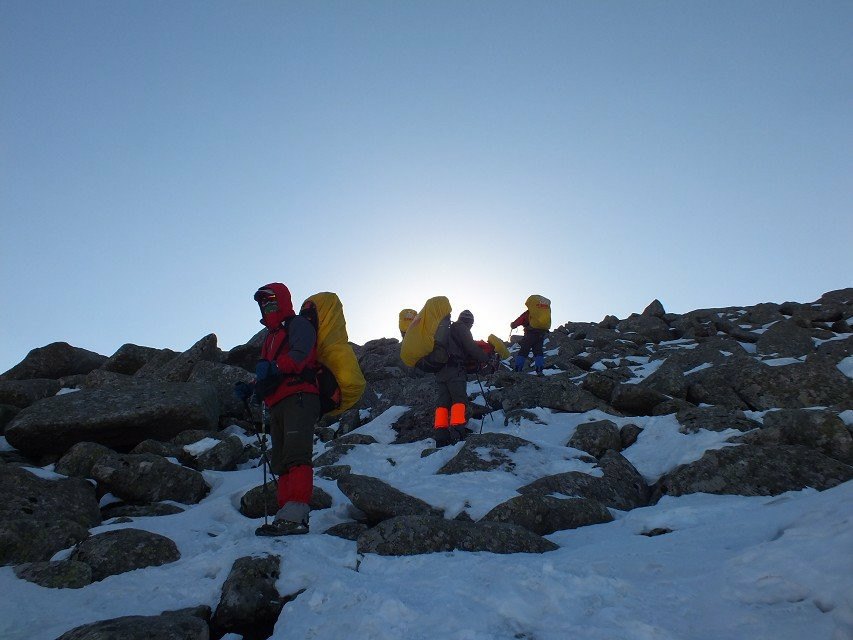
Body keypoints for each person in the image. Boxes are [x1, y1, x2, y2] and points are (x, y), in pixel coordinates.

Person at [244, 283, 320, 536]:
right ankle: (285, 514)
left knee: (297, 455)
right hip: (277, 402)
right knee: (281, 461)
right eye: (263, 303)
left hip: (299, 396)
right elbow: (266, 371)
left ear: (283, 301)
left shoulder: (297, 325)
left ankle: (296, 515)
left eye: (271, 302)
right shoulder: (271, 336)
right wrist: (252, 389)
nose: (267, 307)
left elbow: (300, 355)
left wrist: (275, 367)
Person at [433, 310, 489, 447]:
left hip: (440, 371)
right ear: (469, 322)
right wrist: (486, 358)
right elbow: (471, 348)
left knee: (442, 405)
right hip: (455, 371)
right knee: (458, 403)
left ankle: (441, 437)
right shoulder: (462, 328)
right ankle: (458, 433)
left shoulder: (447, 329)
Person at [511, 308, 546, 375]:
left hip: (530, 334)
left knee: (523, 351)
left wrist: (513, 325)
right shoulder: (541, 313)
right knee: (538, 352)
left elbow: (518, 321)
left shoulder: (528, 313)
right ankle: (539, 371)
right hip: (540, 335)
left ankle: (517, 369)